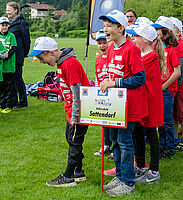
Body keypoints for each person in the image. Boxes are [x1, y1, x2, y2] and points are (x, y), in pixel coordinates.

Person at [27, 37, 90, 187]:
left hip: (79, 110)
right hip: (72, 110)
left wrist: (75, 115)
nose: (41, 61)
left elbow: (77, 92)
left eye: (41, 57)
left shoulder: (70, 63)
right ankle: (78, 172)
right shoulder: (61, 63)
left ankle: (68, 177)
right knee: (71, 139)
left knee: (74, 141)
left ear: (51, 52)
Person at [99, 10, 146, 196]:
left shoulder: (131, 49)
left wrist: (115, 83)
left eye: (110, 26)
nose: (106, 29)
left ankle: (128, 182)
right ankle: (119, 176)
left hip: (129, 106)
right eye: (104, 26)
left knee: (125, 143)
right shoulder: (111, 48)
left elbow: (140, 78)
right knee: (115, 143)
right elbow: (112, 75)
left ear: (121, 28)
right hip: (114, 106)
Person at [127, 24, 164, 183]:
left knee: (150, 135)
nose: (133, 39)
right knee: (137, 134)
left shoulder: (150, 56)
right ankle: (141, 166)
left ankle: (154, 171)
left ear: (145, 40)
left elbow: (134, 74)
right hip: (142, 101)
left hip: (150, 103)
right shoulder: (143, 54)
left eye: (136, 36)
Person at [152, 16, 181, 159]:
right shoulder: (158, 48)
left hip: (166, 90)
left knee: (167, 120)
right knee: (160, 120)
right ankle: (162, 145)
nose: (156, 31)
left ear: (166, 31)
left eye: (158, 29)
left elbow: (177, 72)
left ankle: (170, 148)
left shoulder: (172, 50)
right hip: (158, 89)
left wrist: (164, 86)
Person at [6, 1, 30, 108]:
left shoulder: (22, 23)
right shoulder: (8, 23)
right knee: (11, 78)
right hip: (9, 56)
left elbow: (26, 40)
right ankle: (14, 101)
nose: (7, 12)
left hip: (18, 55)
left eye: (9, 10)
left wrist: (24, 54)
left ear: (16, 10)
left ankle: (23, 101)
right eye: (6, 10)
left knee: (18, 78)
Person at [94, 29, 112, 156]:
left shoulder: (112, 57)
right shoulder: (98, 59)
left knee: (113, 121)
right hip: (102, 93)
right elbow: (97, 77)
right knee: (104, 120)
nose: (102, 46)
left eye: (104, 42)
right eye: (99, 43)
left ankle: (112, 145)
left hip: (114, 92)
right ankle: (106, 145)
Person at [0, 16, 17, 114]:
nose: (4, 27)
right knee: (1, 87)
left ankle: (9, 106)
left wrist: (5, 57)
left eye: (6, 25)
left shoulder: (11, 36)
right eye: (2, 25)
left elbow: (13, 49)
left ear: (8, 26)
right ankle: (1, 105)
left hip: (9, 66)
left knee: (9, 87)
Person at [170, 17, 183, 151]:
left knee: (182, 115)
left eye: (171, 29)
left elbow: (181, 70)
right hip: (174, 87)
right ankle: (174, 138)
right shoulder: (173, 45)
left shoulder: (181, 46)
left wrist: (176, 87)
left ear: (178, 32)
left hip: (180, 88)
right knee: (174, 115)